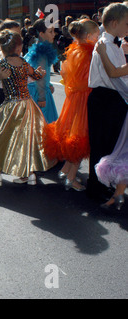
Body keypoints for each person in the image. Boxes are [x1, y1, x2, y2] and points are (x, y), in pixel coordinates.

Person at [0, 30, 56, 187]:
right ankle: (29, 175)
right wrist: (40, 73)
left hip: (11, 106)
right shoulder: (23, 63)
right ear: (18, 48)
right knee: (25, 139)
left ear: (3, 48)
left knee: (0, 139)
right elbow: (34, 76)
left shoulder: (1, 64)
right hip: (28, 105)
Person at [43, 19, 100, 192]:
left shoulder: (72, 51)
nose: (99, 37)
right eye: (97, 34)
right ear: (89, 35)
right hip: (84, 98)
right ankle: (71, 177)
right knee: (80, 136)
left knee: (70, 132)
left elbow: (64, 74)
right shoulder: (90, 53)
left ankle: (66, 169)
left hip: (73, 98)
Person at [86, 2, 128, 202]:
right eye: (126, 24)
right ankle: (97, 186)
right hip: (106, 99)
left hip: (108, 98)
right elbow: (115, 76)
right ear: (114, 22)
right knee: (103, 144)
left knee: (108, 144)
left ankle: (101, 185)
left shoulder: (111, 44)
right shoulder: (106, 45)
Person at [25, 19, 59, 124]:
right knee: (43, 125)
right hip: (38, 92)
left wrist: (48, 84)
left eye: (54, 31)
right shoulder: (42, 52)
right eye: (50, 31)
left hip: (37, 90)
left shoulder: (38, 48)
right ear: (41, 34)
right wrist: (42, 97)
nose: (54, 34)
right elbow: (40, 75)